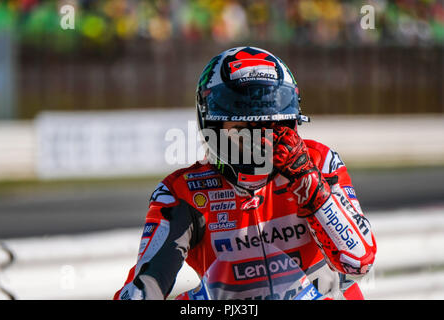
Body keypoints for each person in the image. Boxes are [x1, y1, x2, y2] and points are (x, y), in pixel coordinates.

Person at [114, 46, 377, 300]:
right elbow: (145, 283)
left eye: (273, 123)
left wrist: (310, 184)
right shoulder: (181, 192)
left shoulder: (320, 161)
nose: (261, 134)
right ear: (211, 121)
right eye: (244, 123)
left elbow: (358, 262)